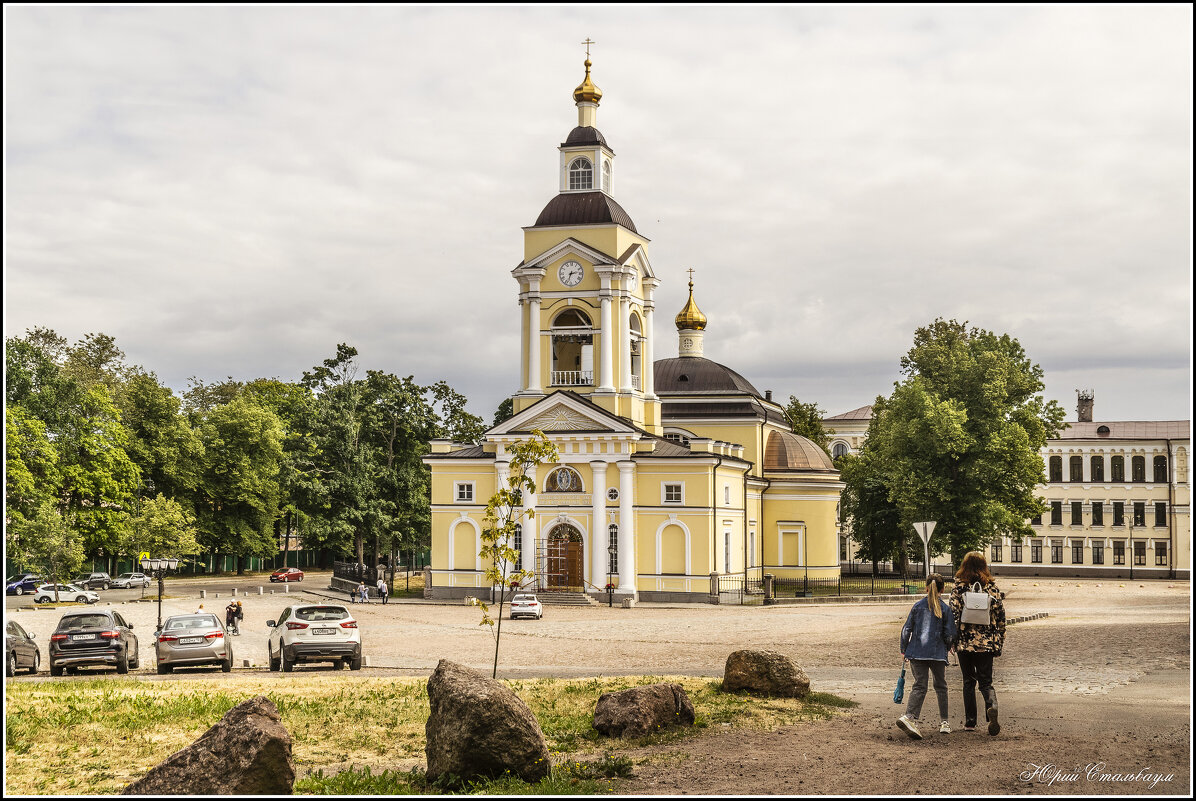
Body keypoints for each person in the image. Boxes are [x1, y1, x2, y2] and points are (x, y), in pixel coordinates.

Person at [950, 550, 1006, 735]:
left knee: (968, 682)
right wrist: (999, 641)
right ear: (984, 567)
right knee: (986, 682)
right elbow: (1000, 616)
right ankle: (992, 709)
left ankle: (970, 722)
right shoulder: (992, 588)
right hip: (986, 643)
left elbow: (953, 615)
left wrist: (951, 640)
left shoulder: (959, 587)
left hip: (965, 643)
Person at [896, 573, 957, 740]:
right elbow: (950, 633)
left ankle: (910, 717)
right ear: (943, 589)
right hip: (937, 654)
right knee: (941, 686)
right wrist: (950, 645)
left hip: (917, 652)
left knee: (919, 686)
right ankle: (944, 722)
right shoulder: (945, 609)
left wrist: (904, 649)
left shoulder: (917, 606)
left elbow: (906, 629)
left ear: (926, 587)